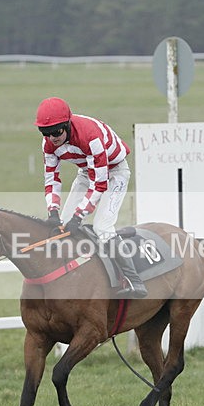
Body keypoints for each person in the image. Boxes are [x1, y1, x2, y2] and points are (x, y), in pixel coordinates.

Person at [34, 96, 147, 298]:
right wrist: (52, 211)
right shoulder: (48, 144)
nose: (53, 138)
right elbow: (51, 180)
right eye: (46, 133)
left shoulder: (90, 136)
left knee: (102, 227)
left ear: (67, 124)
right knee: (62, 227)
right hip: (87, 172)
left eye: (57, 131)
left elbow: (100, 184)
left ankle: (134, 280)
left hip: (114, 173)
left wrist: (79, 215)